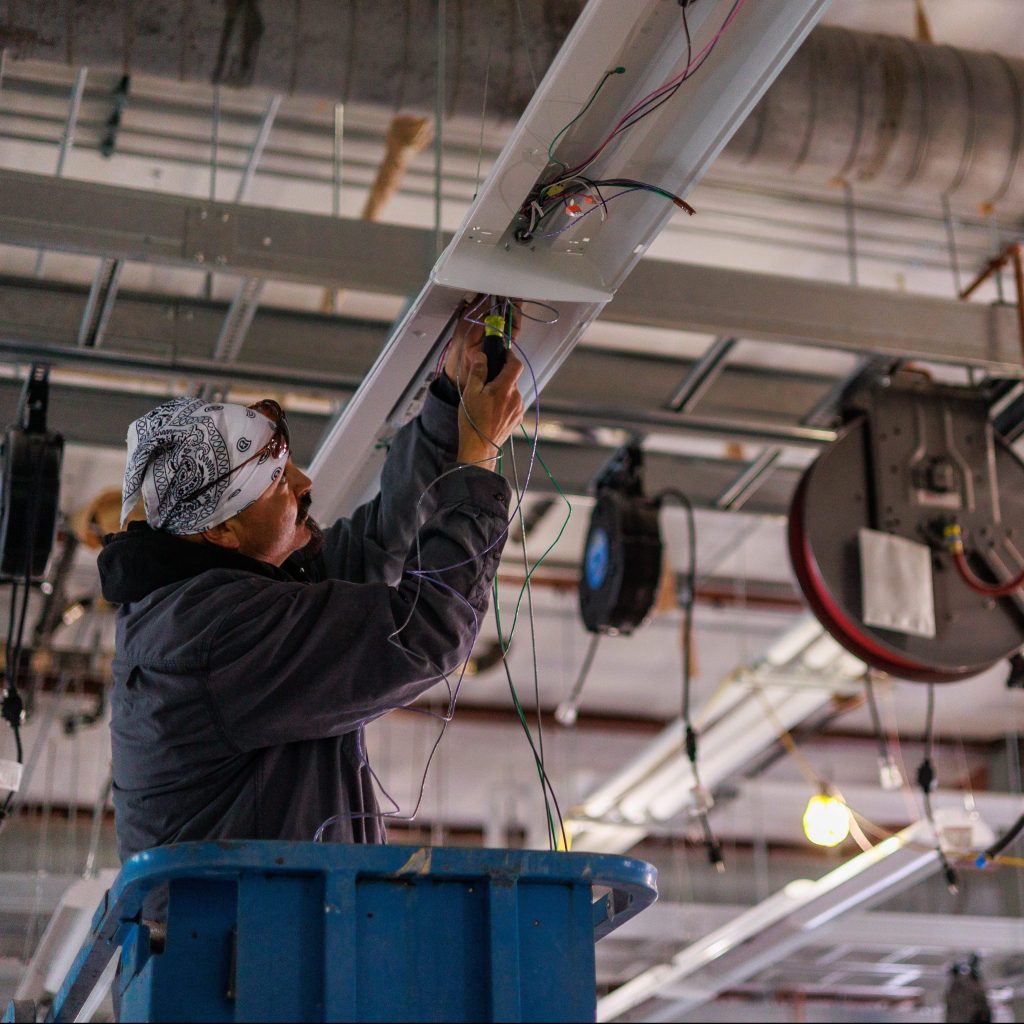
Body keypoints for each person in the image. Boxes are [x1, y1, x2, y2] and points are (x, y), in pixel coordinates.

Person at [98, 299, 524, 863]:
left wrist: (449, 401)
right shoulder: (213, 635)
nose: (304, 484)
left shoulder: (215, 595)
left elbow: (378, 543)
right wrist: (476, 468)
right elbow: (420, 637)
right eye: (277, 481)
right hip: (251, 944)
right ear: (222, 530)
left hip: (272, 934)